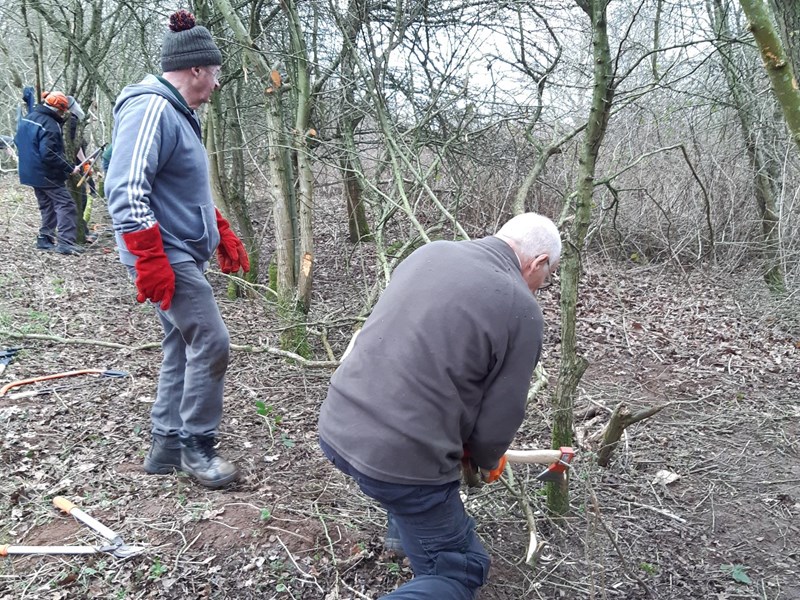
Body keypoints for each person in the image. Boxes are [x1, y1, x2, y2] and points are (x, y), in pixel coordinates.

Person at [318, 213, 561, 599]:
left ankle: (403, 535)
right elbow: (502, 414)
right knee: (460, 570)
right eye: (544, 279)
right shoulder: (521, 308)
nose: (538, 287)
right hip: (399, 460)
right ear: (539, 262)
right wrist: (485, 457)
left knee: (405, 477)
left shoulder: (430, 252)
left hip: (336, 425)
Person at [105, 9, 250, 489]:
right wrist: (149, 258)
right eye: (214, 74)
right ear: (196, 71)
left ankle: (165, 446)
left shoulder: (177, 114)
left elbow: (181, 188)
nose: (215, 84)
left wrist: (219, 230)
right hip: (165, 255)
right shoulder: (151, 108)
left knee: (180, 343)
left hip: (178, 250)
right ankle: (197, 446)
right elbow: (126, 189)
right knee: (212, 341)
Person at [14, 90, 82, 254]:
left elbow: (17, 141)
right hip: (45, 173)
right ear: (59, 109)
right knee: (66, 204)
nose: (63, 114)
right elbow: (49, 153)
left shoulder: (28, 118)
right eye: (62, 110)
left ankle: (45, 239)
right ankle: (66, 242)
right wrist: (70, 167)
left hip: (29, 172)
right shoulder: (50, 124)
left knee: (47, 205)